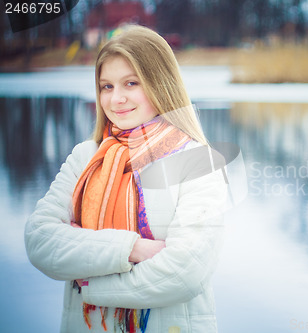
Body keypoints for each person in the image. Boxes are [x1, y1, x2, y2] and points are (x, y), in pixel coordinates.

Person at [24, 25, 227, 333]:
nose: (116, 99)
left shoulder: (198, 161)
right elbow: (40, 240)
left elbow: (185, 272)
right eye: (106, 86)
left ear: (160, 83)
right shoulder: (85, 158)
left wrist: (90, 289)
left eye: (130, 83)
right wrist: (130, 249)